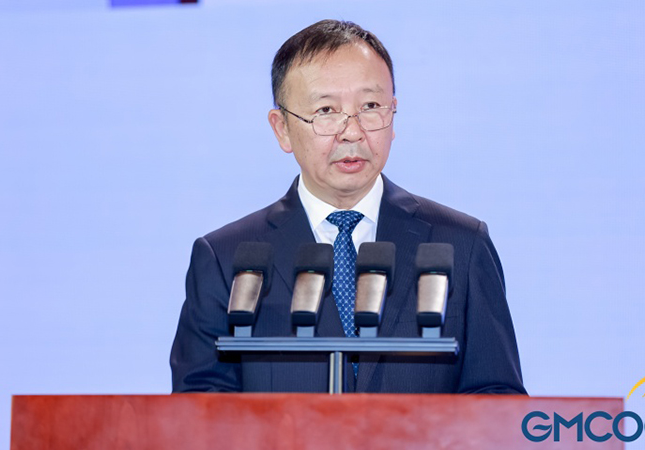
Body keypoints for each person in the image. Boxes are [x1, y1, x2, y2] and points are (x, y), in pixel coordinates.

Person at [170, 19, 526, 394]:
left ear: (393, 115)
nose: (352, 132)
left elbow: (496, 398)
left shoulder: (461, 245)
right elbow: (200, 407)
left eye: (370, 106)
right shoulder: (226, 258)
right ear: (282, 129)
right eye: (326, 110)